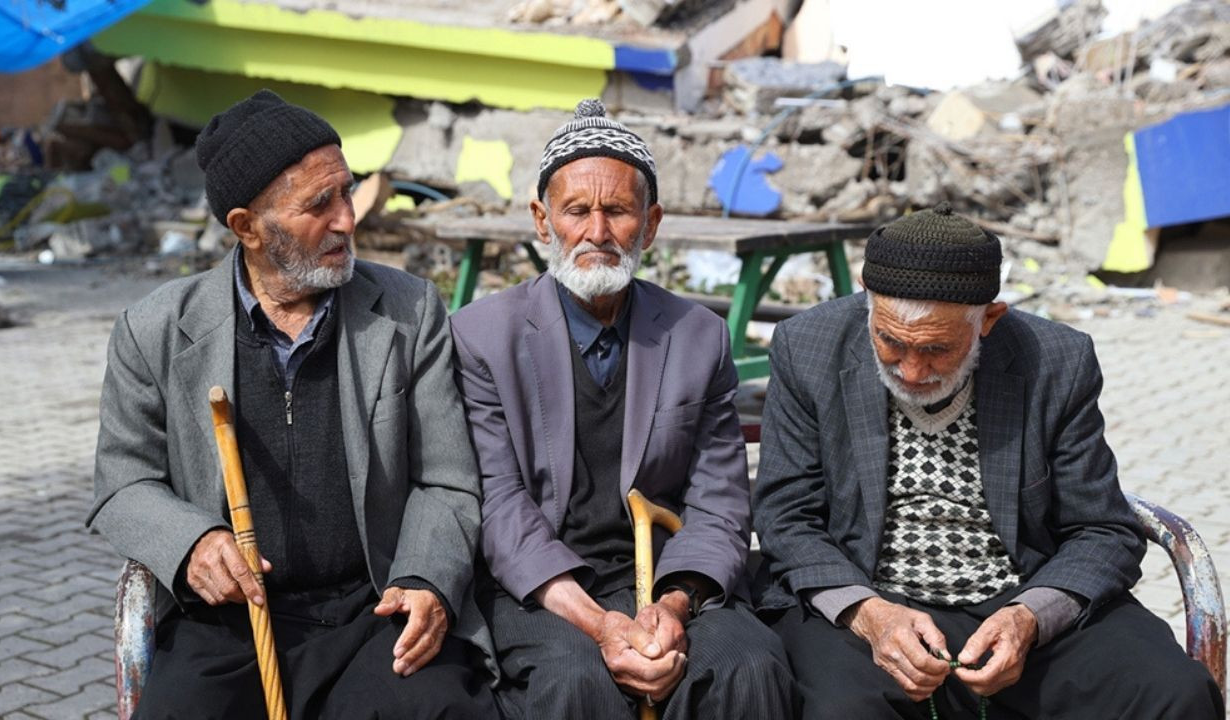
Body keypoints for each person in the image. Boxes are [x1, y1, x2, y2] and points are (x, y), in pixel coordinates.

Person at [88, 90, 498, 720]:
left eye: (347, 191)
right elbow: (123, 483)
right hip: (231, 623)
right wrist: (192, 541)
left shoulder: (411, 311)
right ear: (247, 227)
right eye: (319, 204)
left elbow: (447, 479)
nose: (348, 219)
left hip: (375, 607)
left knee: (442, 709)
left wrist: (424, 577)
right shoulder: (156, 330)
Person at [753, 202, 1224, 718]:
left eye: (937, 349)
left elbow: (1102, 529)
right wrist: (871, 615)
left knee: (1174, 693)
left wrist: (1030, 617)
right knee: (843, 710)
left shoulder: (1057, 361)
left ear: (988, 321)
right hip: (870, 602)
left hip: (1017, 596)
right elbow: (787, 515)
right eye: (889, 341)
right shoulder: (807, 348)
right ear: (866, 297)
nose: (910, 370)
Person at [450, 98, 796, 720]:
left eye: (618, 210)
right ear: (541, 219)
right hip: (546, 591)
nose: (597, 233)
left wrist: (671, 608)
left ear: (652, 222)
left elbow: (719, 501)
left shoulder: (698, 335)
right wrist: (601, 623)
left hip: (667, 578)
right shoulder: (481, 337)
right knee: (576, 683)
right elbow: (499, 508)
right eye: (577, 211)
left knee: (748, 664)